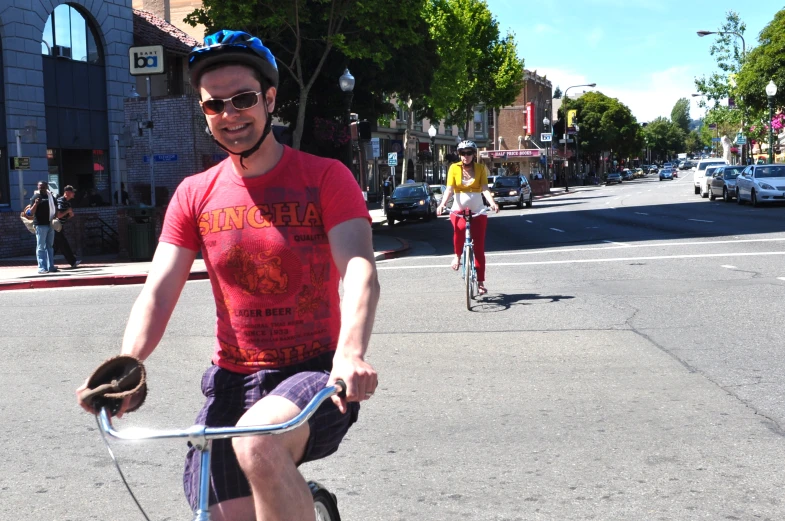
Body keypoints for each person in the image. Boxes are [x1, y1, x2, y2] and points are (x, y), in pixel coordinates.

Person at [76, 30, 380, 521]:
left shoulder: (325, 178)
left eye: (242, 99)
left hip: (316, 374)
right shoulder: (194, 193)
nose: (230, 115)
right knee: (214, 511)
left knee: (259, 441)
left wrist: (350, 355)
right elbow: (159, 290)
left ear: (270, 99)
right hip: (231, 382)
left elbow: (360, 269)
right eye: (214, 106)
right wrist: (126, 366)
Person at [436, 140, 499, 295]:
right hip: (458, 208)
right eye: (462, 153)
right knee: (460, 229)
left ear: (473, 154)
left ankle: (481, 282)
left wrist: (492, 202)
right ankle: (457, 256)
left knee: (479, 247)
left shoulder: (480, 168)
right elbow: (449, 189)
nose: (466, 156)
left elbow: (484, 188)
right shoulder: (453, 168)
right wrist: (442, 204)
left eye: (469, 153)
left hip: (478, 209)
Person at [29, 180, 57, 274]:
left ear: (47, 187)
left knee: (49, 246)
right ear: (37, 187)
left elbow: (56, 207)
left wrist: (55, 216)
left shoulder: (50, 196)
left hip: (50, 224)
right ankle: (42, 268)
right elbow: (31, 212)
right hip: (40, 225)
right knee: (41, 247)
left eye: (43, 187)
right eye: (40, 187)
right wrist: (36, 203)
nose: (42, 188)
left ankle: (51, 266)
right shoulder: (35, 197)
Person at [54, 185, 81, 268]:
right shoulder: (61, 201)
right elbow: (58, 215)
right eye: (72, 192)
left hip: (60, 227)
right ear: (67, 193)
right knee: (64, 244)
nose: (74, 194)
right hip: (56, 227)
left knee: (56, 246)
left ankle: (47, 262)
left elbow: (64, 217)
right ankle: (72, 262)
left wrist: (70, 215)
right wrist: (67, 211)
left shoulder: (67, 202)